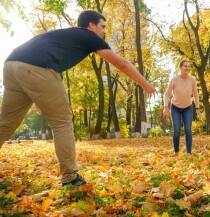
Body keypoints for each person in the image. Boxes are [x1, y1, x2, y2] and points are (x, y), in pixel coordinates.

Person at [0, 10, 157, 186]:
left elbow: (36, 53)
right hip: (36, 67)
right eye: (103, 26)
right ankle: (70, 177)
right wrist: (145, 84)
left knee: (6, 123)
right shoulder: (89, 36)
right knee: (62, 121)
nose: (104, 31)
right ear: (91, 25)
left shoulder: (68, 36)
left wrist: (37, 94)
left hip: (11, 64)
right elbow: (121, 63)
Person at [163, 60, 200, 156]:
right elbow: (167, 94)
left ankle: (188, 152)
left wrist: (197, 108)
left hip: (187, 107)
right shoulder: (174, 80)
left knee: (188, 129)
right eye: (185, 66)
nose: (187, 68)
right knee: (177, 130)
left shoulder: (192, 80)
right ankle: (176, 151)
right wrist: (165, 106)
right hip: (175, 108)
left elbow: (196, 95)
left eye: (189, 66)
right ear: (180, 68)